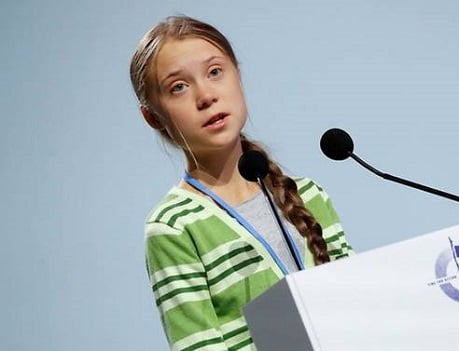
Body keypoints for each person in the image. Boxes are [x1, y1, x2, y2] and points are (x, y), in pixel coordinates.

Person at [129, 15, 354, 351]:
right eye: (179, 87)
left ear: (238, 75)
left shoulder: (308, 194)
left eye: (215, 72)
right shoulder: (173, 227)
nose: (205, 95)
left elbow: (359, 303)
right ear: (153, 117)